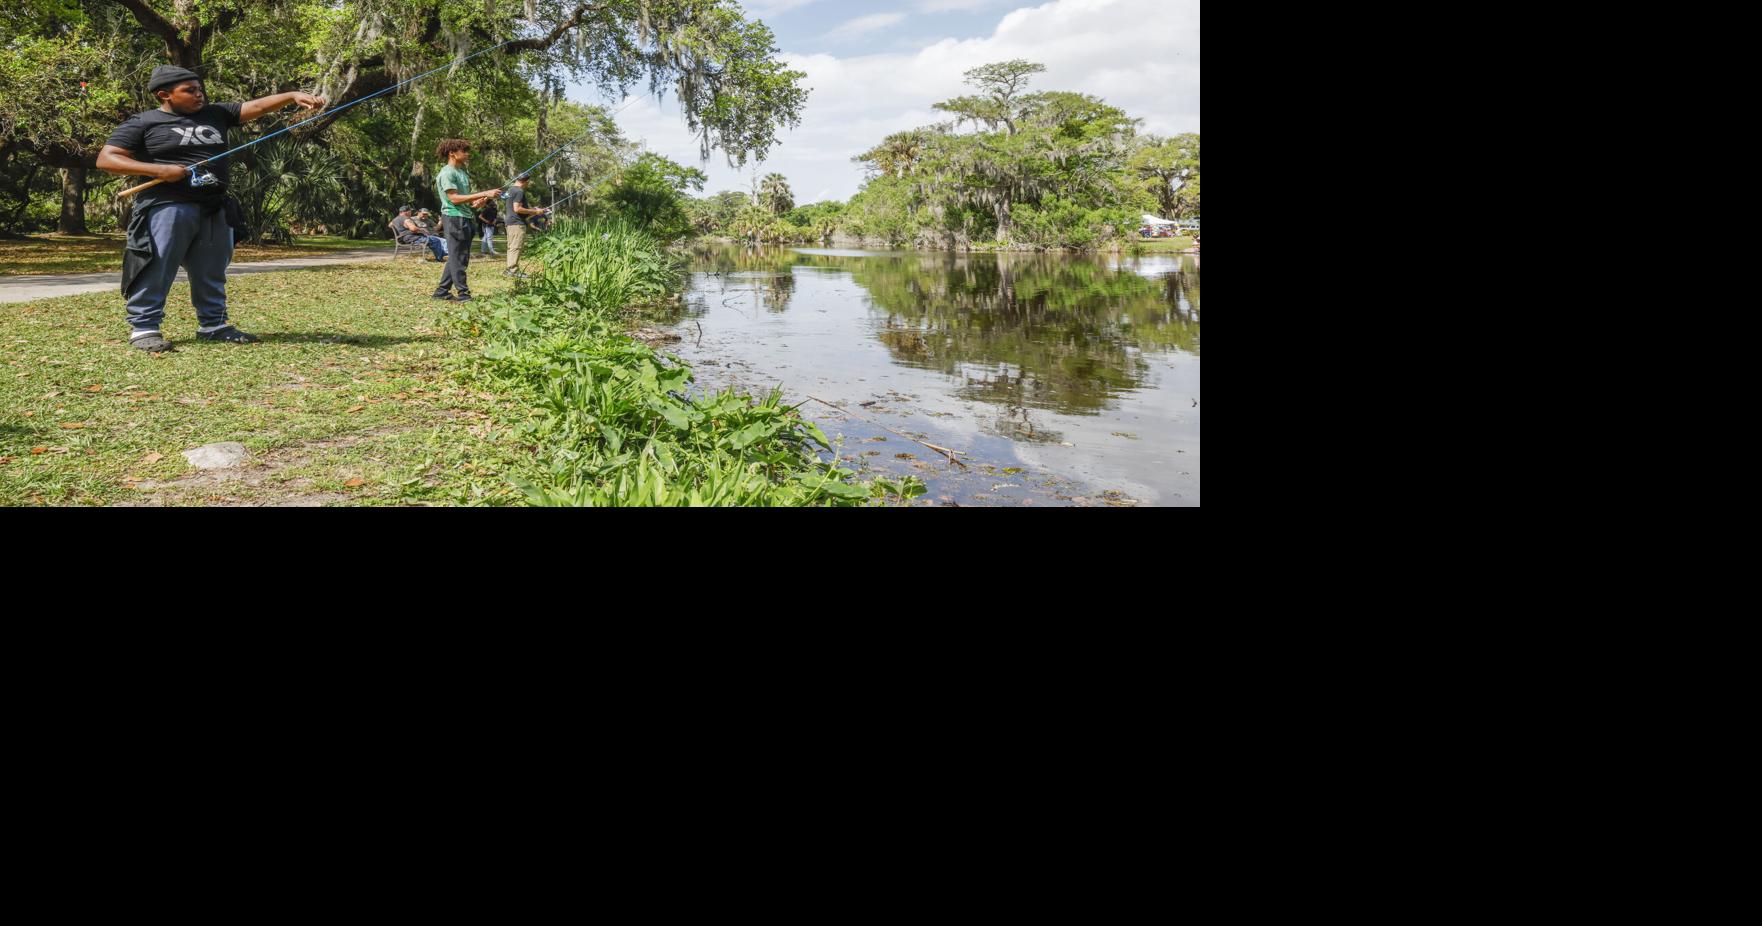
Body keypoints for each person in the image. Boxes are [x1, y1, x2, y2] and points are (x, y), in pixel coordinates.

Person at [96, 65, 324, 352]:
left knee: (211, 269)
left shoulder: (216, 114)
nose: (198, 94)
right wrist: (158, 170)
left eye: (199, 88)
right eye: (189, 90)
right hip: (167, 204)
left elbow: (254, 106)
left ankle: (213, 325)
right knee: (158, 264)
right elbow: (106, 159)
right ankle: (144, 328)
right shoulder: (143, 123)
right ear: (164, 95)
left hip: (214, 205)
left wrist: (291, 96)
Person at [431, 139, 501, 302]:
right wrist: (484, 192)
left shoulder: (462, 173)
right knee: (458, 257)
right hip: (454, 218)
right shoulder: (447, 173)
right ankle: (463, 295)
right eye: (464, 151)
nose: (467, 154)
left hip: (466, 217)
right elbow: (453, 199)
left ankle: (441, 291)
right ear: (452, 153)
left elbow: (464, 200)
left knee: (460, 256)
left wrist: (478, 202)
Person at [500, 174, 549, 278]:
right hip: (517, 223)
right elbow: (517, 209)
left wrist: (535, 211)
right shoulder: (519, 191)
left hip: (510, 222)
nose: (528, 184)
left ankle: (509, 269)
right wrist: (535, 212)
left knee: (511, 247)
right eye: (528, 182)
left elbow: (506, 200)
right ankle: (513, 270)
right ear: (525, 181)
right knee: (516, 246)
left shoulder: (510, 190)